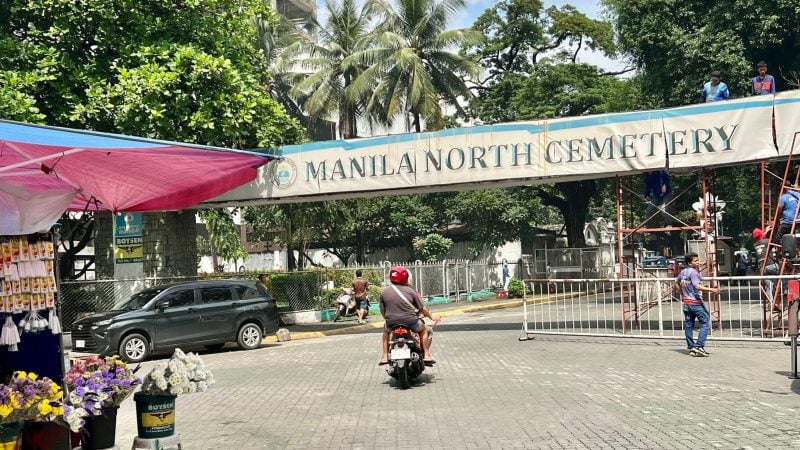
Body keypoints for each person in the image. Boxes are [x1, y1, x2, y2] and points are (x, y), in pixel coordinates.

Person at [378, 266, 439, 366]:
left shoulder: (384, 291)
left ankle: (384, 356)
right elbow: (422, 309)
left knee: (385, 332)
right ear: (405, 277)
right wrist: (431, 317)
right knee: (424, 330)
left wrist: (387, 319)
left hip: (391, 323)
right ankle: (427, 355)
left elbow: (382, 310)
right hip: (411, 322)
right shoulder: (411, 291)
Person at [675, 253, 719, 357]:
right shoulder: (694, 273)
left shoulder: (683, 272)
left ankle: (691, 347)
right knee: (705, 323)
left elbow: (676, 283)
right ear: (690, 263)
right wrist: (712, 289)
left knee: (689, 325)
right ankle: (699, 346)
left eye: (698, 260)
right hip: (695, 302)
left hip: (686, 303)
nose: (698, 262)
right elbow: (697, 286)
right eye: (695, 261)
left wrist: (682, 294)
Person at [753, 226, 779, 303]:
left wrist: (764, 232)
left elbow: (761, 238)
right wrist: (767, 231)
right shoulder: (767, 241)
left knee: (768, 287)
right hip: (771, 265)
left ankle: (771, 303)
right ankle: (781, 293)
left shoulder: (755, 244)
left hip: (763, 268)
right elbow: (775, 240)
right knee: (785, 274)